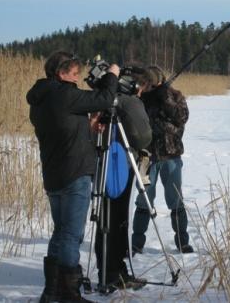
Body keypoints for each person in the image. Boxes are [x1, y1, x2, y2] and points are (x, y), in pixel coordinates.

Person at [26, 50, 119, 303]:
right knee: (71, 235)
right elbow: (105, 97)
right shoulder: (64, 93)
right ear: (61, 73)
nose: (78, 78)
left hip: (54, 175)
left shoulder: (41, 99)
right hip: (75, 173)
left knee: (60, 232)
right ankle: (69, 294)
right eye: (74, 73)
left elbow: (62, 131)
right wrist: (112, 74)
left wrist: (87, 127)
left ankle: (52, 291)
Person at [92, 68, 153, 292]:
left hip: (100, 164)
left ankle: (105, 270)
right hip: (121, 166)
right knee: (117, 220)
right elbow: (143, 136)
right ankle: (115, 272)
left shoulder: (100, 99)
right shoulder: (129, 102)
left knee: (103, 221)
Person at [132, 66, 194, 255]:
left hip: (171, 156)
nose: (146, 85)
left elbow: (181, 118)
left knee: (175, 200)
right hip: (145, 157)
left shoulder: (174, 96)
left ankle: (182, 242)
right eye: (144, 82)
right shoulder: (139, 98)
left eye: (149, 82)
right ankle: (136, 243)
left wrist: (163, 96)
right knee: (144, 198)